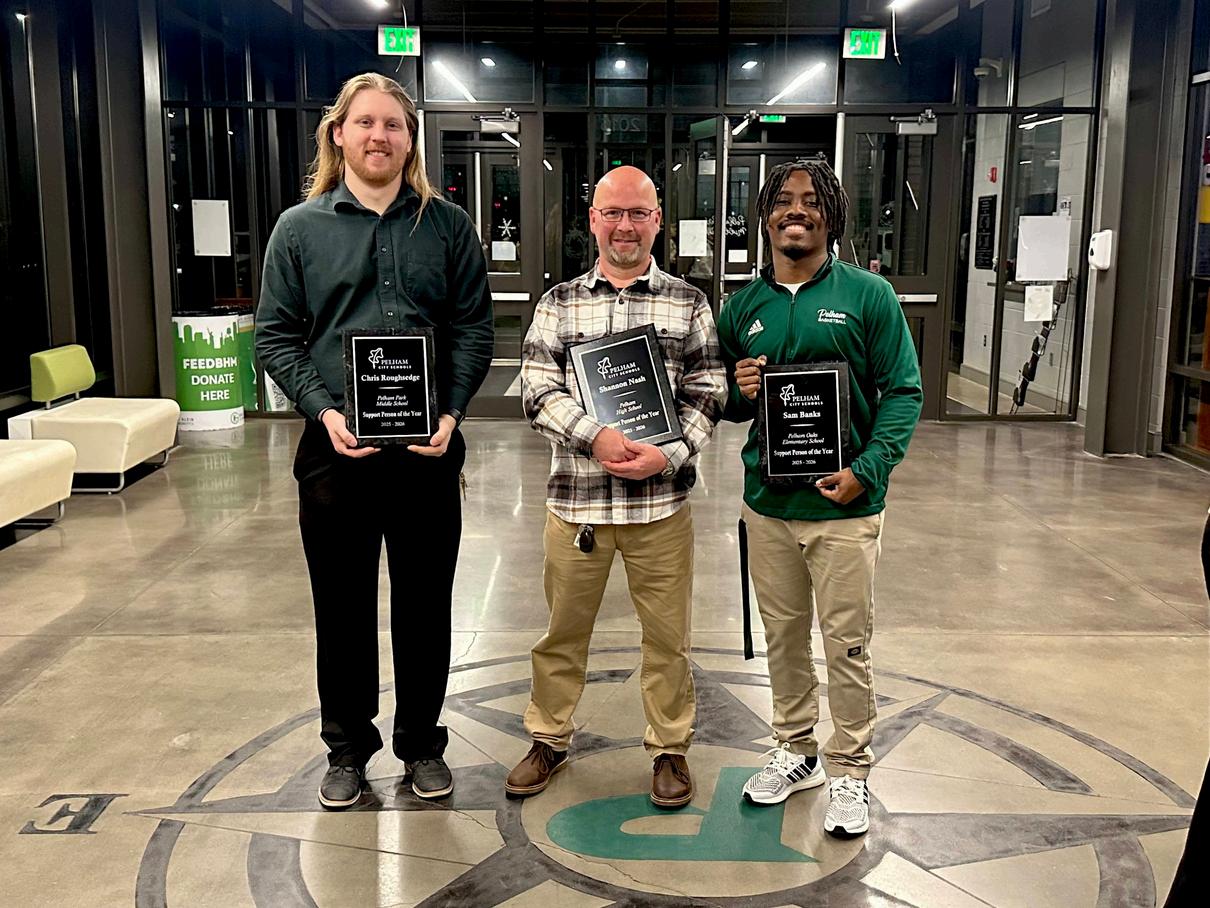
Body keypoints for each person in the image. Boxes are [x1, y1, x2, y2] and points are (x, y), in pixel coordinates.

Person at [255, 73, 493, 809]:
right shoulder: (299, 230)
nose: (379, 136)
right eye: (365, 122)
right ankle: (346, 751)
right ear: (339, 133)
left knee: (425, 608)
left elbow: (473, 329)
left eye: (393, 124)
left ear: (410, 139)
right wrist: (325, 411)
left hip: (427, 455)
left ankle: (422, 744)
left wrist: (451, 414)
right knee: (343, 611)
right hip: (335, 457)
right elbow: (275, 336)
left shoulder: (448, 227)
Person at [507, 166, 726, 809]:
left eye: (637, 213)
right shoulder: (559, 303)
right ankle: (549, 737)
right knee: (561, 634)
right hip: (577, 506)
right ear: (593, 220)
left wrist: (670, 452)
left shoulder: (688, 303)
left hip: (660, 508)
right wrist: (595, 437)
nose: (624, 226)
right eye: (612, 213)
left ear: (657, 220)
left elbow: (708, 388)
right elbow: (536, 389)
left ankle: (669, 748)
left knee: (668, 639)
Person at [716, 158, 922, 837]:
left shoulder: (869, 296)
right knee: (782, 639)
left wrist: (867, 470)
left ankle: (851, 770)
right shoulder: (742, 307)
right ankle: (796, 749)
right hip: (769, 506)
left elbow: (903, 391)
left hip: (844, 509)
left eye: (810, 200)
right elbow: (726, 403)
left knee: (847, 644)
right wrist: (740, 388)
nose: (795, 210)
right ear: (765, 216)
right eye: (782, 200)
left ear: (832, 215)